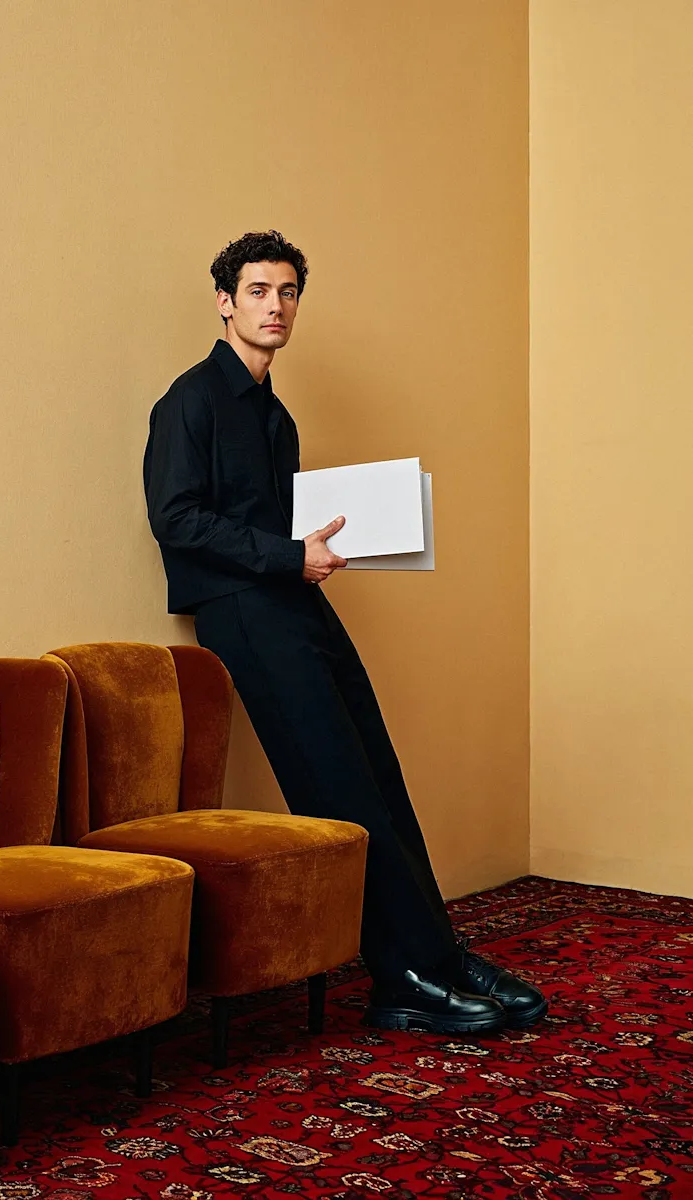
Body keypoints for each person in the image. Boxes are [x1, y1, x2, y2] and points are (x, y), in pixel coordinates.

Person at [143, 230, 546, 1034]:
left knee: (379, 777)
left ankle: (437, 955)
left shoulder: (277, 416)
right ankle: (401, 977)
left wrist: (316, 551)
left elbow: (282, 528)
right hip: (242, 610)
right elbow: (175, 518)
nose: (276, 306)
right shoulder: (189, 400)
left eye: (288, 292)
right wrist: (288, 555)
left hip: (295, 602)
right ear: (224, 302)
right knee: (341, 793)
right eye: (258, 291)